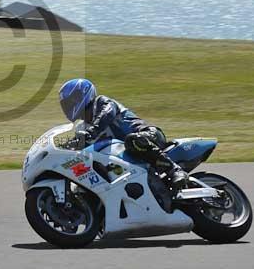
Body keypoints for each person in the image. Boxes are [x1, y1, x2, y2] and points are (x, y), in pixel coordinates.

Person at [58, 78, 188, 189]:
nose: (68, 106)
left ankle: (174, 170)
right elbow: (78, 145)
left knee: (131, 140)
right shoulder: (82, 126)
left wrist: (91, 132)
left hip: (147, 136)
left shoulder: (102, 102)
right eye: (66, 104)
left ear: (82, 96)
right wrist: (62, 149)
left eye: (71, 101)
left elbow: (106, 115)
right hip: (128, 155)